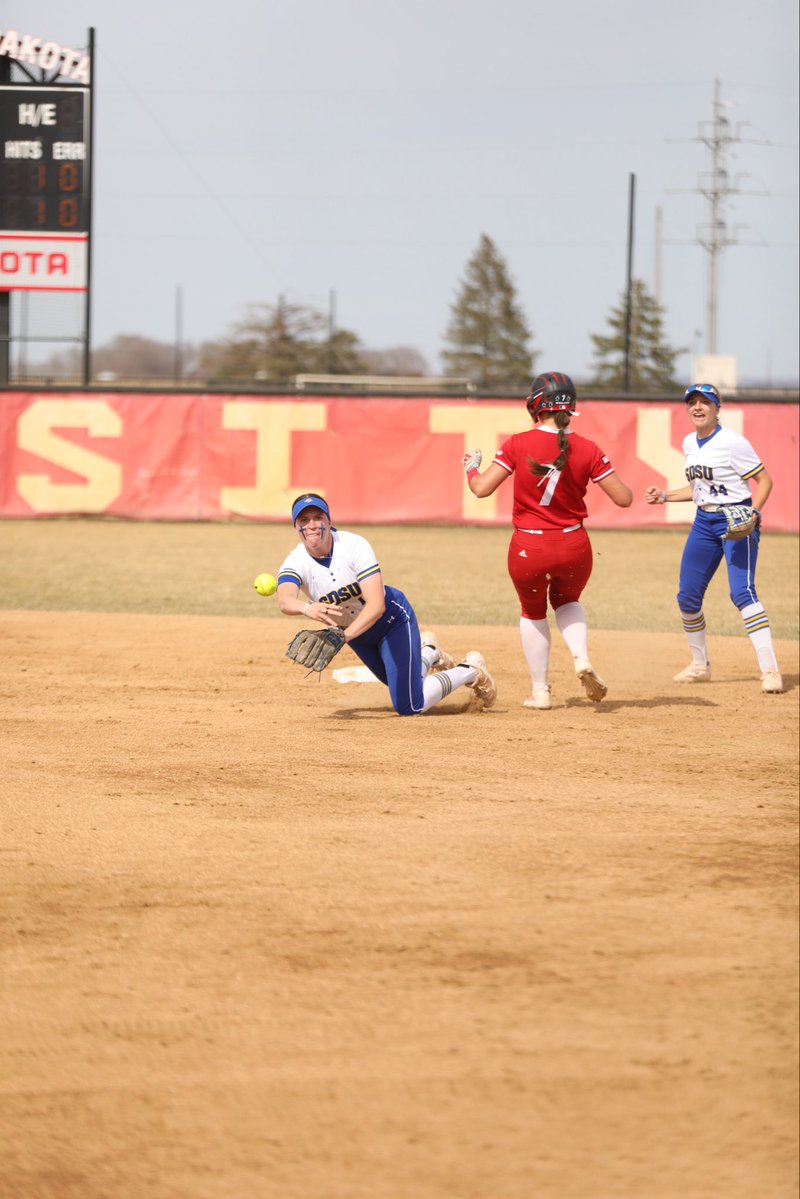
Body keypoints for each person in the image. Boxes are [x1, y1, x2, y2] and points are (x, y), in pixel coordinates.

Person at [461, 371, 632, 710]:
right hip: (574, 544)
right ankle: (581, 657)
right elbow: (624, 498)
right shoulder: (588, 448)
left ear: (536, 405)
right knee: (567, 601)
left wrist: (471, 467)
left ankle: (540, 691)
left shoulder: (517, 443)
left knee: (532, 611)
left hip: (530, 546)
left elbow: (481, 489)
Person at [275, 493, 497, 715]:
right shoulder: (296, 561)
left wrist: (343, 637)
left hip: (391, 621)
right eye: (304, 520)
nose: (312, 525)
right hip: (358, 635)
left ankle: (470, 669)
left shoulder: (353, 546)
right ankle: (429, 652)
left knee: (409, 705)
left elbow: (376, 605)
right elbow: (285, 600)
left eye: (318, 517)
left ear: (329, 521)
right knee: (397, 682)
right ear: (295, 527)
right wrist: (307, 607)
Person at [644, 382, 783, 694]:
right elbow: (698, 490)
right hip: (704, 522)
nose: (697, 407)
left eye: (705, 402)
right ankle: (700, 665)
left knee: (742, 593)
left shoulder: (732, 442)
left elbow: (764, 481)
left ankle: (770, 670)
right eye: (692, 402)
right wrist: (664, 495)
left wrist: (754, 513)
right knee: (687, 597)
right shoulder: (689, 443)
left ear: (717, 408)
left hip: (736, 520)